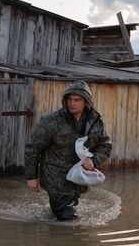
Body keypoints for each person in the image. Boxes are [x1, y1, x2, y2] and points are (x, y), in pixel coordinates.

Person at [24, 80, 112, 220]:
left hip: (78, 179)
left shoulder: (94, 122)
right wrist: (31, 177)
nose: (72, 103)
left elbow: (106, 145)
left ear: (86, 102)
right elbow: (33, 148)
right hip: (55, 180)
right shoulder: (51, 121)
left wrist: (94, 161)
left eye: (77, 100)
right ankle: (69, 240)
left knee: (65, 212)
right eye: (69, 99)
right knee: (68, 220)